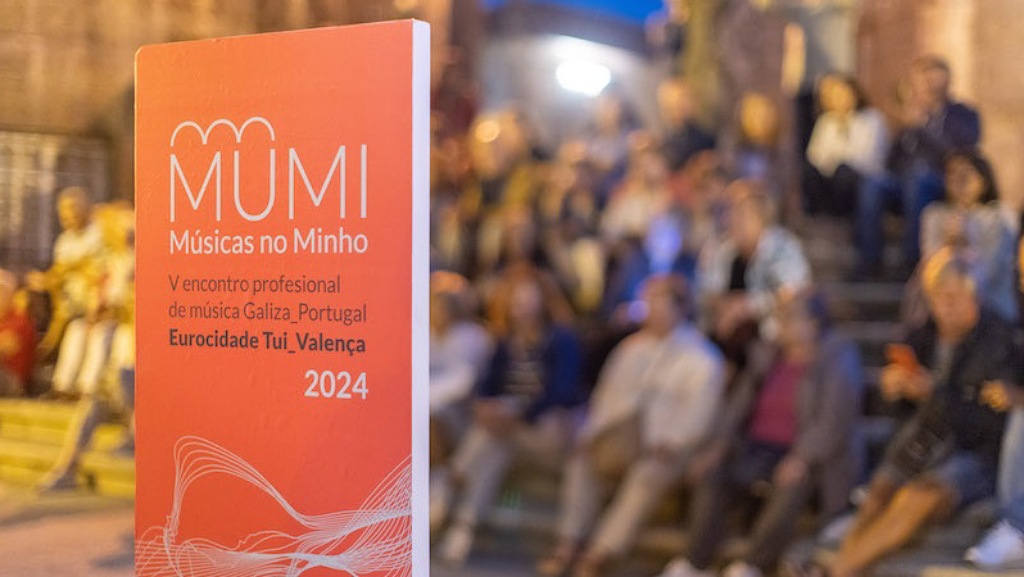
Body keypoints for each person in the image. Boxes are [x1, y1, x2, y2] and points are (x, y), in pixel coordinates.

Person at [817, 250, 1015, 577]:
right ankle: (843, 567)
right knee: (879, 492)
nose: (945, 307)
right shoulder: (922, 334)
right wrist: (893, 389)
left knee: (916, 496)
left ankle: (838, 571)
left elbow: (988, 423)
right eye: (938, 297)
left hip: (974, 452)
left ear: (975, 297)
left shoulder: (998, 340)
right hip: (923, 441)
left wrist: (933, 393)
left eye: (954, 297)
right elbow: (895, 410)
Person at [656, 290, 863, 577]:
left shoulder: (836, 358)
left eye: (791, 318)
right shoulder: (767, 356)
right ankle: (695, 563)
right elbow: (737, 407)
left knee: (793, 479)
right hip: (755, 447)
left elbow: (833, 420)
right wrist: (718, 446)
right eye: (780, 318)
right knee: (713, 472)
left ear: (814, 323)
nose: (783, 326)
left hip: (806, 453)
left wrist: (802, 456)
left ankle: (753, 565)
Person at [538, 275, 725, 577]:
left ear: (680, 309)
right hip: (621, 440)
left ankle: (601, 553)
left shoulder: (702, 357)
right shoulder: (630, 348)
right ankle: (569, 542)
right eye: (649, 303)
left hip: (668, 447)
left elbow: (700, 415)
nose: (651, 310)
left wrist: (671, 441)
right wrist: (591, 433)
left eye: (659, 303)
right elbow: (604, 398)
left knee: (647, 475)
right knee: (582, 461)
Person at [436, 268, 583, 566]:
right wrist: (487, 407)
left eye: (527, 298)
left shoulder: (562, 340)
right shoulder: (504, 343)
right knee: (495, 445)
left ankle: (448, 486)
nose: (521, 306)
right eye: (516, 299)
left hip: (546, 432)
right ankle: (463, 527)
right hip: (507, 433)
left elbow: (561, 391)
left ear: (543, 301)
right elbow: (487, 387)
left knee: (493, 434)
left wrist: (516, 413)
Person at [855, 56, 981, 278]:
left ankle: (911, 261)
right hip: (903, 181)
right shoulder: (911, 114)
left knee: (918, 179)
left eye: (934, 78)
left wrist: (922, 127)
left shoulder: (964, 115)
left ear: (947, 80)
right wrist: (901, 129)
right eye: (924, 79)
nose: (929, 85)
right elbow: (891, 162)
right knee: (873, 183)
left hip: (941, 181)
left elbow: (959, 155)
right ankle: (869, 261)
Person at [697, 181, 811, 366]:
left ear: (760, 219)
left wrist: (746, 307)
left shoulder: (783, 248)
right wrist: (726, 308)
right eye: (731, 214)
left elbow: (793, 295)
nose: (732, 221)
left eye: (741, 215)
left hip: (770, 334)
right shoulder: (724, 250)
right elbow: (709, 291)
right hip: (725, 331)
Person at [913, 150, 1016, 323]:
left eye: (965, 174)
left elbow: (992, 272)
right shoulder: (935, 215)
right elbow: (930, 270)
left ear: (983, 179)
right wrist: (947, 244)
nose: (958, 181)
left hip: (991, 309)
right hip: (941, 309)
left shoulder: (1000, 218)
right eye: (952, 174)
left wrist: (968, 239)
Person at [428, 271, 493, 528]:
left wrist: (421, 400)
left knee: (431, 417)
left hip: (463, 419)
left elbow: (461, 385)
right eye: (435, 300)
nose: (439, 308)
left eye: (445, 301)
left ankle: (438, 484)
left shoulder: (474, 337)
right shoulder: (420, 333)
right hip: (419, 414)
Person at [26, 186, 103, 358]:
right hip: (69, 302)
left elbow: (95, 268)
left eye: (73, 209)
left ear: (85, 208)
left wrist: (65, 271)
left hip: (94, 299)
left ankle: (49, 346)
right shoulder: (64, 240)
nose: (69, 217)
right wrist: (44, 280)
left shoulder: (99, 233)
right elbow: (59, 271)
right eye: (64, 213)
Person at [803, 74, 889, 217]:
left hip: (861, 178)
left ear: (854, 94)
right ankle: (817, 215)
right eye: (834, 96)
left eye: (843, 94)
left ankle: (841, 215)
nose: (839, 99)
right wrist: (834, 161)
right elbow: (814, 156)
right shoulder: (826, 122)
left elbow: (867, 158)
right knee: (810, 172)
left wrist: (836, 159)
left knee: (843, 171)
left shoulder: (872, 119)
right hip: (830, 178)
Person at [658, 78, 717, 173]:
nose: (683, 105)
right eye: (678, 101)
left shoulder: (706, 136)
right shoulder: (666, 145)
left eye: (686, 99)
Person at [0, 270, 36, 396]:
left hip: (13, 380)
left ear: (11, 295)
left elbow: (5, 347)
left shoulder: (20, 321)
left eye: (2, 291)